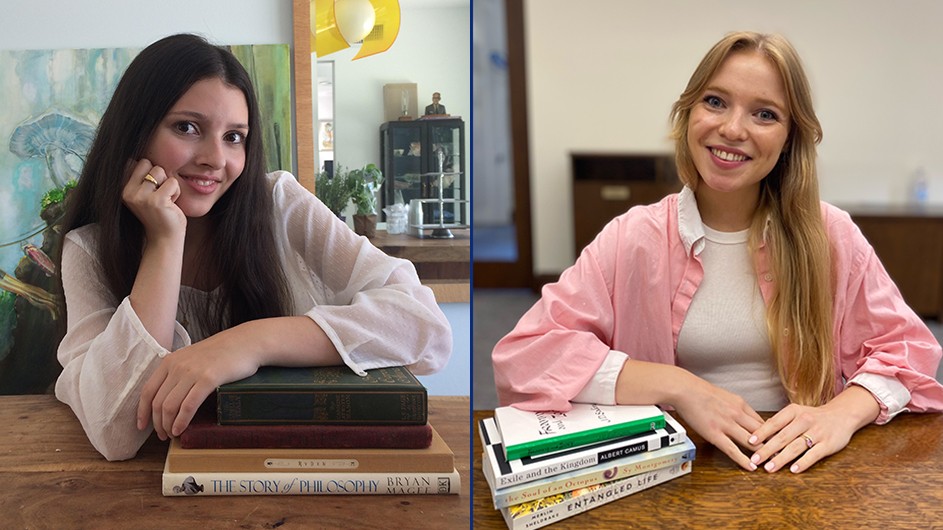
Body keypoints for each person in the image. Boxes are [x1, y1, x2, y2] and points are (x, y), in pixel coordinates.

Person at [492, 31, 943, 474]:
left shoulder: (829, 234)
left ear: (790, 138)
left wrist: (840, 413)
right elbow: (526, 357)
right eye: (715, 101)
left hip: (798, 469)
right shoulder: (633, 237)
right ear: (688, 112)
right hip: (671, 471)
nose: (732, 129)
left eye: (765, 114)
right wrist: (682, 387)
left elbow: (908, 352)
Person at [55, 34, 452, 461]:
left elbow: (424, 325)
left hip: (301, 465)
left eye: (234, 137)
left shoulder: (279, 203)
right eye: (187, 127)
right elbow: (112, 430)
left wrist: (247, 343)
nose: (215, 158)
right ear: (136, 131)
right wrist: (165, 241)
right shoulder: (89, 249)